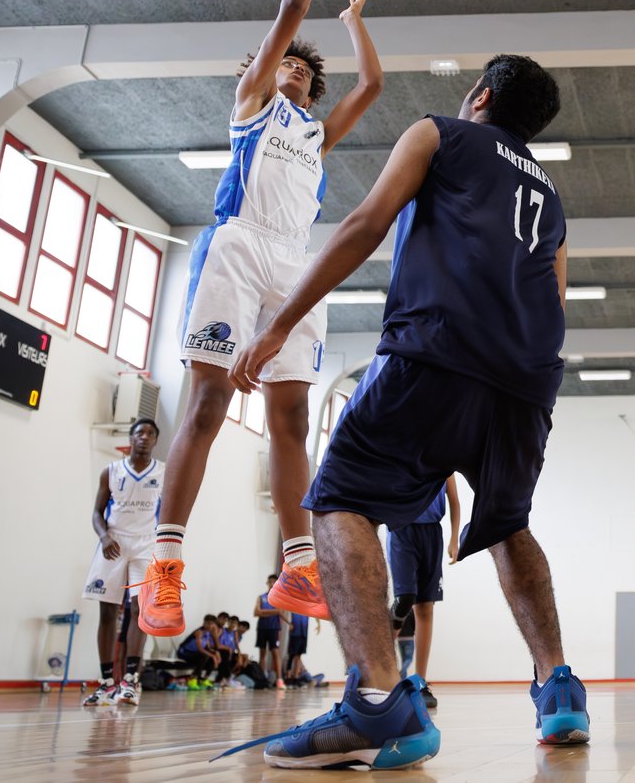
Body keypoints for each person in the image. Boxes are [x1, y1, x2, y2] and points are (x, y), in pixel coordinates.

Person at [222, 57, 585, 768]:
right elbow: (558, 298)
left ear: (479, 95)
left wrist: (279, 324)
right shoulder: (552, 197)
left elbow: (363, 225)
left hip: (437, 352)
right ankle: (559, 689)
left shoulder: (439, 133)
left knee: (337, 498)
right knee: (507, 521)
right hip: (526, 381)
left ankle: (377, 702)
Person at [138, 0, 385, 639]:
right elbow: (290, 4)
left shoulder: (314, 134)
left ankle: (299, 564)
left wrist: (354, 28)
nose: (294, 69)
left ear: (312, 86)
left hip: (293, 261)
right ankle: (165, 564)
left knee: (293, 417)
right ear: (264, 69)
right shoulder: (251, 106)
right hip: (237, 245)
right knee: (209, 405)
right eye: (285, 59)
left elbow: (371, 87)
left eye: (305, 69)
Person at [81, 418, 162, 707]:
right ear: (131, 437)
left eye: (151, 434)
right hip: (114, 542)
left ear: (155, 441)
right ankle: (104, 683)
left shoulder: (164, 473)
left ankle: (129, 681)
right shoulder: (111, 471)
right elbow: (96, 513)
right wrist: (103, 538)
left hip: (145, 544)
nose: (145, 437)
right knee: (107, 612)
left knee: (140, 609)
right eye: (140, 432)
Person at [387, 475, 462, 709]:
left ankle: (420, 680)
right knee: (404, 600)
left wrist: (454, 538)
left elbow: (454, 500)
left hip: (431, 534)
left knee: (425, 607)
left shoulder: (444, 458)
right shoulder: (399, 453)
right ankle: (381, 671)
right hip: (401, 530)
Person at [254, 574, 286, 688]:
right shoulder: (261, 597)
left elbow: (280, 611)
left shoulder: (279, 598)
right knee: (262, 654)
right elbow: (256, 612)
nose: (271, 584)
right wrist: (273, 611)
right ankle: (262, 678)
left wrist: (263, 611)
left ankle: (279, 679)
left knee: (275, 653)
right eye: (270, 582)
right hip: (262, 627)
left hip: (274, 628)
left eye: (274, 581)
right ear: (267, 583)